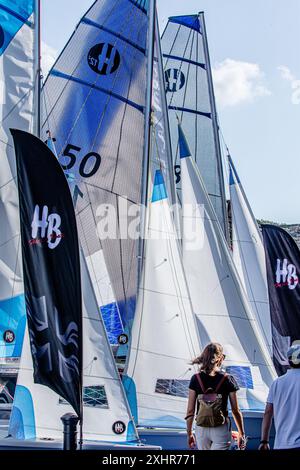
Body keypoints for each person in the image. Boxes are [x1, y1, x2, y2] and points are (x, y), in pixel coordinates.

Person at [186, 342, 246, 450]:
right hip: (220, 428)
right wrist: (242, 433)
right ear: (219, 359)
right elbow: (235, 410)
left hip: (201, 429)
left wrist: (189, 433)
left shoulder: (195, 379)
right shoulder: (228, 379)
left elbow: (190, 411)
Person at [259, 342, 300, 450]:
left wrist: (264, 441)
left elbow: (268, 413)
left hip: (281, 444)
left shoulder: (277, 383)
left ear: (289, 361)